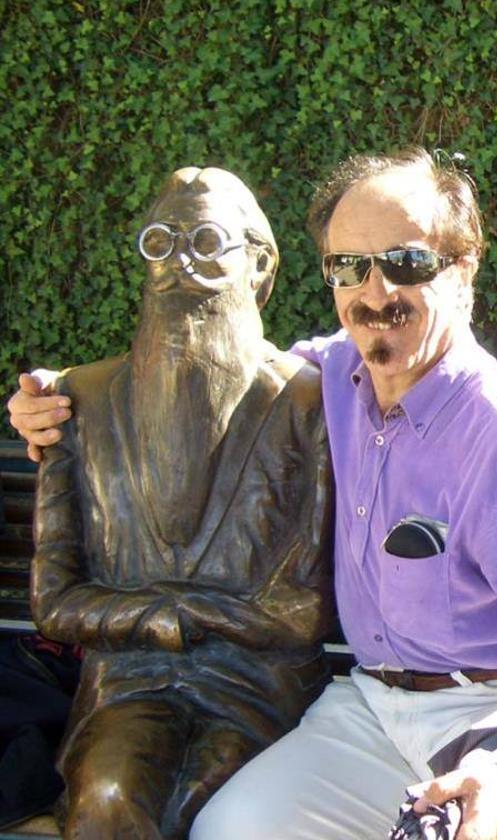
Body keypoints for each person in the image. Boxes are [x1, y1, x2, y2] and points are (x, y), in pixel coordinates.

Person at [9, 147, 497, 840]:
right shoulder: (333, 378)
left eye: (406, 263)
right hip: (371, 707)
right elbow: (221, 372)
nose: (375, 293)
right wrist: (56, 394)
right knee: (228, 830)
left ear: (463, 270)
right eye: (349, 266)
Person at [27, 167, 334, 839]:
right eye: (160, 243)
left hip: (257, 686)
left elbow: (303, 611)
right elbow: (53, 602)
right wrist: (178, 617)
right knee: (109, 793)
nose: (178, 265)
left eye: (204, 242)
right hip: (127, 685)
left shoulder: (312, 402)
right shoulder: (75, 400)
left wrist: (171, 610)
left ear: (259, 264)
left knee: (208, 801)